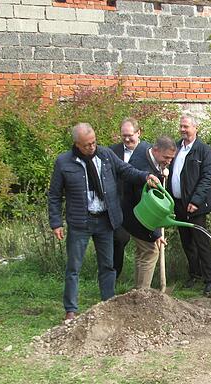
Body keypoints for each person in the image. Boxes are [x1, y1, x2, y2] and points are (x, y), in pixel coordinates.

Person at [48, 123, 160, 321]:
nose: (92, 147)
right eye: (87, 145)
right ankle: (71, 310)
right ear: (77, 144)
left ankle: (108, 304)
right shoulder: (64, 162)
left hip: (105, 220)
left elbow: (126, 170)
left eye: (94, 142)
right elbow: (55, 195)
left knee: (108, 265)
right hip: (80, 222)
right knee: (74, 267)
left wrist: (145, 177)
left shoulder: (105, 155)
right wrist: (56, 222)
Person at [167, 113, 211, 296]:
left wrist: (196, 201)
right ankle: (194, 274)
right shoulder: (175, 148)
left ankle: (210, 280)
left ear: (195, 128)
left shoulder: (204, 150)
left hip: (196, 205)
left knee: (201, 242)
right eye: (181, 126)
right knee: (186, 241)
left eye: (186, 127)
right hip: (178, 203)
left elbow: (207, 178)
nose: (183, 130)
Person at [121, 135, 177, 290]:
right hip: (137, 215)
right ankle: (143, 293)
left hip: (133, 212)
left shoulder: (145, 148)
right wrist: (157, 234)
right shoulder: (142, 168)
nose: (169, 162)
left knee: (142, 252)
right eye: (166, 157)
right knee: (151, 251)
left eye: (172, 159)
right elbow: (151, 209)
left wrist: (162, 170)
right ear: (156, 150)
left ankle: (138, 290)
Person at [109, 118, 150, 279]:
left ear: (138, 133)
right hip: (120, 206)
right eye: (123, 135)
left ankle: (142, 284)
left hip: (143, 206)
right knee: (119, 239)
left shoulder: (149, 151)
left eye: (130, 135)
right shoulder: (113, 152)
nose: (126, 139)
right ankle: (114, 276)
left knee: (147, 246)